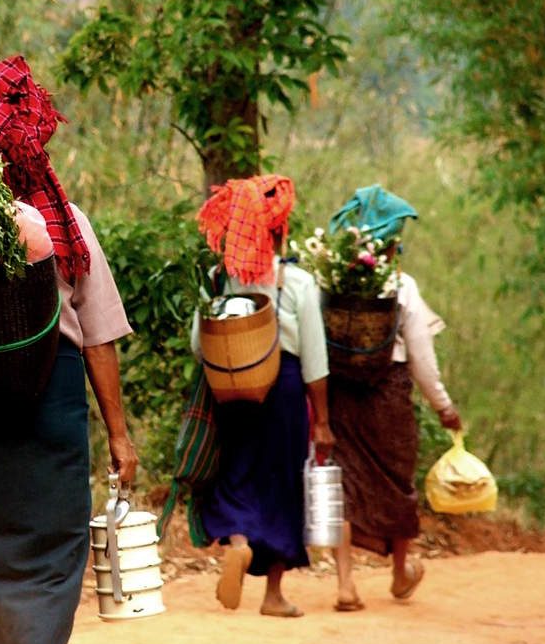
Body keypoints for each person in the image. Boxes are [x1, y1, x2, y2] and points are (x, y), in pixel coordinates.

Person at [0, 56, 140, 644]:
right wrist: (118, 432)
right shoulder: (66, 222)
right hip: (51, 395)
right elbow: (102, 334)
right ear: (37, 145)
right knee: (55, 542)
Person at [191, 175, 335, 618]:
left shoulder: (218, 278)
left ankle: (238, 542)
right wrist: (324, 421)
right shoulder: (296, 282)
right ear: (277, 230)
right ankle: (273, 596)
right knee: (282, 484)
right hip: (285, 387)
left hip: (233, 387)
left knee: (236, 472)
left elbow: (198, 343)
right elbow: (315, 356)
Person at [326, 185, 463, 612]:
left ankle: (346, 583)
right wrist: (443, 406)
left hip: (342, 395)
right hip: (389, 397)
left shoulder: (329, 283)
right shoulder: (402, 286)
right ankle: (400, 571)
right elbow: (422, 358)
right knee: (395, 482)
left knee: (343, 484)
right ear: (392, 244)